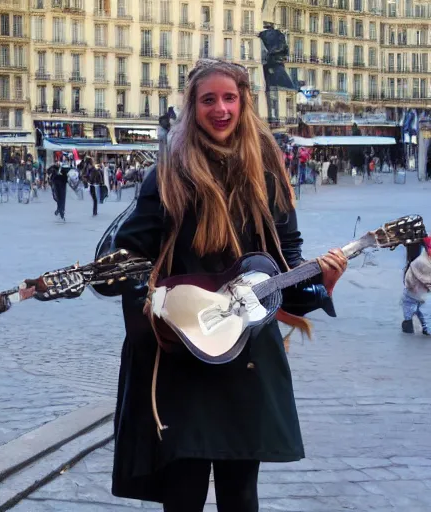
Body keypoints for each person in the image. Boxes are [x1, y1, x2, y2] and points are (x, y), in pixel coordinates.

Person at [105, 59, 347, 511]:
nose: (221, 109)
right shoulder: (168, 175)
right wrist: (163, 314)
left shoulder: (267, 174)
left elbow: (284, 272)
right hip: (184, 358)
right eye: (208, 99)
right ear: (192, 107)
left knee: (240, 493)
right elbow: (127, 259)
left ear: (244, 103)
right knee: (184, 492)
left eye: (230, 98)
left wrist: (322, 285)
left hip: (246, 356)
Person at [402, 237, 431, 335]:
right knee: (416, 314)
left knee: (416, 314)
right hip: (414, 292)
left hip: (415, 291)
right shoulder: (423, 263)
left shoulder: (421, 261)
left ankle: (413, 330)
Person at [53, 155, 69, 221]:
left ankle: (60, 211)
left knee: (59, 199)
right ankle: (60, 211)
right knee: (61, 199)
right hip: (60, 186)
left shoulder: (56, 169)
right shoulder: (61, 169)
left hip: (59, 185)